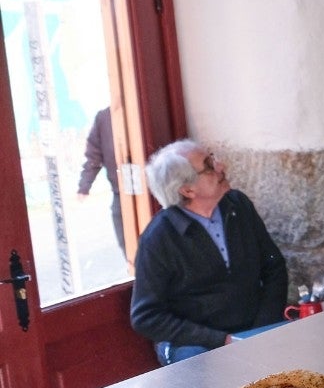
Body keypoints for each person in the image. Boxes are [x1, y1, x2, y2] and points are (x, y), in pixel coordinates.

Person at [130, 139, 288, 365]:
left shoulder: (238, 206)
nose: (221, 166)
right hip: (196, 344)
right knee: (212, 373)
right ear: (187, 189)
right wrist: (220, 340)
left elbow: (274, 268)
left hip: (252, 330)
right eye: (209, 165)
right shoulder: (159, 237)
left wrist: (261, 330)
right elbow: (146, 317)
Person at [77, 106, 124, 254]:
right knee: (128, 247)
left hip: (152, 192)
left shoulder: (141, 109)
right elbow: (94, 155)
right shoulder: (104, 117)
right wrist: (84, 185)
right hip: (120, 194)